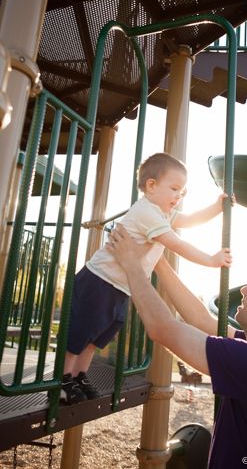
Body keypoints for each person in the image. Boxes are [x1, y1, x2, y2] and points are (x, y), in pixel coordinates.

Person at [106, 224, 247, 469]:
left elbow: (162, 329)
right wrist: (158, 261)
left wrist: (130, 263)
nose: (244, 290)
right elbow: (203, 321)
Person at [61, 152, 232, 404]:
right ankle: (63, 380)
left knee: (96, 337)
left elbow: (188, 221)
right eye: (174, 188)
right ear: (151, 185)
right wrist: (210, 260)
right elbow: (175, 243)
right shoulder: (146, 212)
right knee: (81, 331)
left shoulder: (163, 213)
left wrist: (216, 208)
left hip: (119, 287)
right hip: (98, 280)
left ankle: (79, 376)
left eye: (182, 191)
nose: (178, 195)